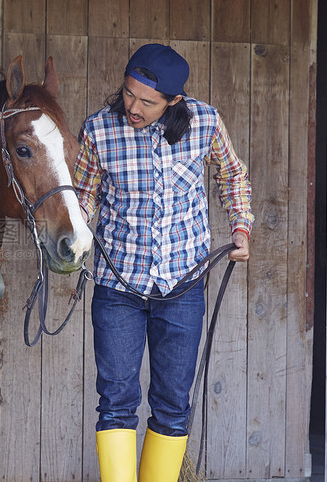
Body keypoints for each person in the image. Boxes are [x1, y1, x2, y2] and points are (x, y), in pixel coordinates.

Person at [74, 44, 253, 481]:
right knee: (115, 400)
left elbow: (233, 176)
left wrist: (241, 227)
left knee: (173, 404)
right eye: (129, 93)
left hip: (184, 287)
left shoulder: (205, 122)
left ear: (173, 101)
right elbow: (83, 196)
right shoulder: (98, 129)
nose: (133, 107)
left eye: (146, 102)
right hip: (119, 287)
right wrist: (73, 232)